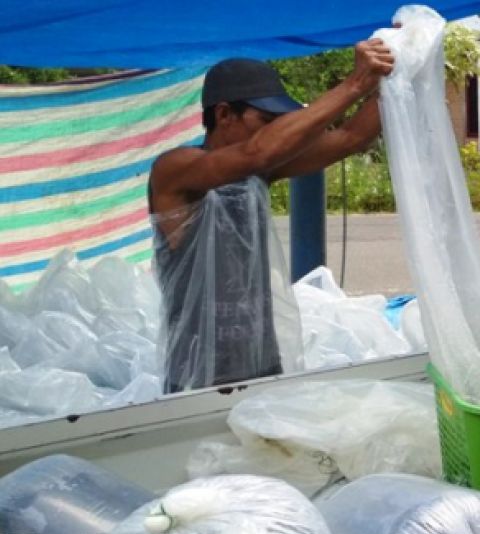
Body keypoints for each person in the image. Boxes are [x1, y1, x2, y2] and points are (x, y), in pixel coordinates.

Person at [148, 40, 395, 393]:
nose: (273, 132)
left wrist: (393, 73)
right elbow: (257, 153)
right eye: (265, 120)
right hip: (197, 376)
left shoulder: (255, 176)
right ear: (223, 114)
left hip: (260, 360)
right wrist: (353, 83)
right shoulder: (174, 171)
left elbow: (349, 137)